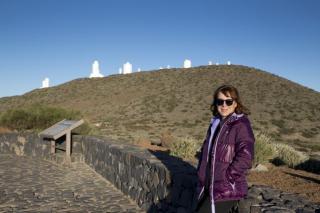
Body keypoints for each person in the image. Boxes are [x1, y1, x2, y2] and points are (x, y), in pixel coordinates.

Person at [195, 85, 255, 213]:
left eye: (228, 101)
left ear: (235, 103)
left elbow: (246, 157)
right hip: (208, 185)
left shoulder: (241, 125)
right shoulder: (216, 123)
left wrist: (227, 178)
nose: (224, 105)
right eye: (220, 101)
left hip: (225, 188)